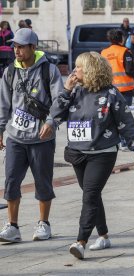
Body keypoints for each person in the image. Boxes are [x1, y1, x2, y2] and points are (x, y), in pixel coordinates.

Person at [50, 52, 134, 259]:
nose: (75, 71)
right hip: (77, 153)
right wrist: (66, 90)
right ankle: (103, 235)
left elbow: (126, 123)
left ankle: (80, 241)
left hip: (103, 153)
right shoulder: (74, 92)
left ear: (91, 70)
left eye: (79, 67)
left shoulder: (111, 94)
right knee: (91, 195)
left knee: (90, 195)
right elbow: (56, 114)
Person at [0, 28, 64, 243]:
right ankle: (13, 226)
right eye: (14, 46)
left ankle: (44, 223)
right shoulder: (10, 72)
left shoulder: (49, 70)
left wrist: (51, 122)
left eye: (21, 46)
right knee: (11, 181)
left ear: (33, 47)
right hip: (15, 138)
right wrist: (0, 129)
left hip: (41, 139)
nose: (16, 50)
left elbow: (60, 99)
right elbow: (4, 105)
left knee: (43, 182)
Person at [101, 29, 134, 106]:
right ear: (121, 38)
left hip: (109, 89)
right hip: (125, 89)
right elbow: (129, 70)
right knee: (125, 115)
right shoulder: (125, 51)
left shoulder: (104, 52)